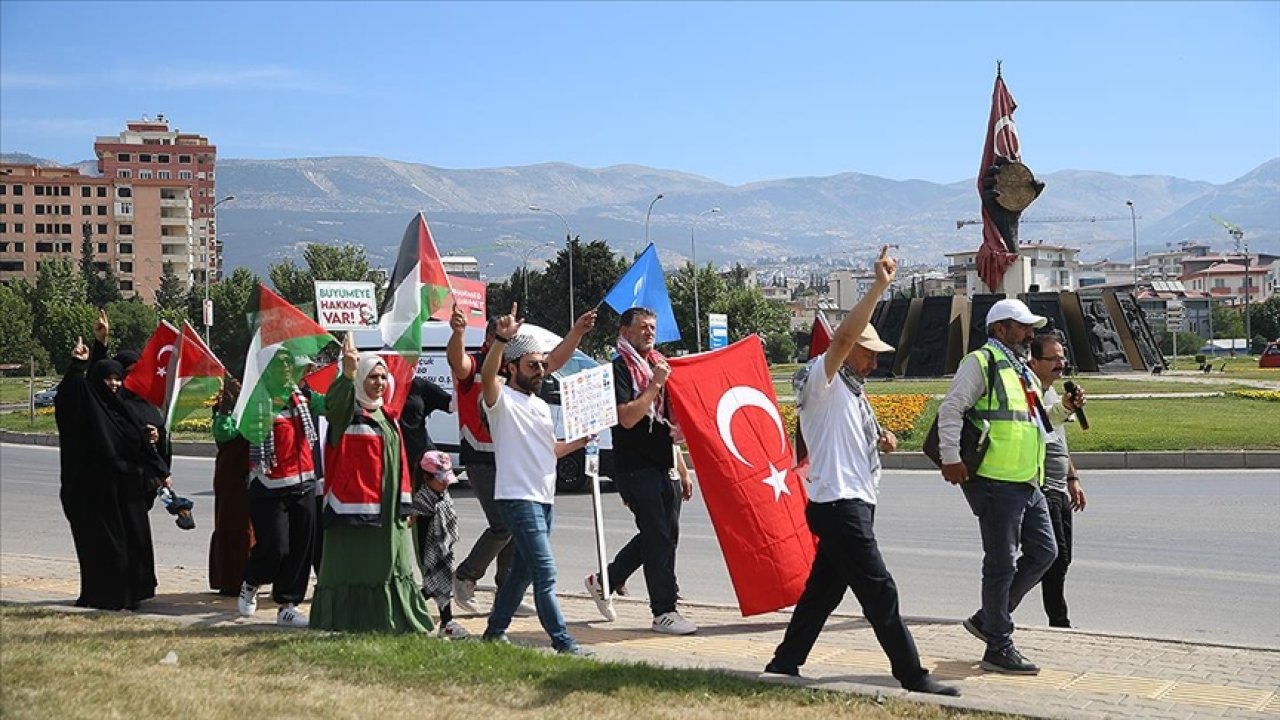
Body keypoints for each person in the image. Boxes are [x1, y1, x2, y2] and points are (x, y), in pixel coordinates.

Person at [763, 246, 958, 697]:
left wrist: (881, 439)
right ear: (851, 352)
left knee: (823, 593)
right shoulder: (821, 380)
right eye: (869, 354)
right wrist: (880, 286)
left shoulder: (852, 391)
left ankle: (784, 661)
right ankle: (912, 674)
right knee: (880, 592)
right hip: (839, 504)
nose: (874, 362)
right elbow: (843, 339)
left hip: (850, 503)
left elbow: (852, 436)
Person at [937, 298, 1084, 675]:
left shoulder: (1020, 369)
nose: (1030, 333)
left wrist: (1064, 407)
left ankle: (990, 618)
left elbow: (1039, 422)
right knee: (1001, 564)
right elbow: (951, 409)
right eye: (1022, 327)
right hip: (994, 480)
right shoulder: (981, 362)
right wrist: (950, 456)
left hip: (1026, 481)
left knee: (1045, 553)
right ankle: (998, 645)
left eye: (1030, 327)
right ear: (1000, 329)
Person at [448, 304, 597, 615]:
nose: (508, 338)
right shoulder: (479, 365)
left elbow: (553, 360)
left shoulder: (515, 367)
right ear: (490, 337)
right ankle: (465, 577)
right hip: (481, 457)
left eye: (512, 334)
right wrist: (458, 333)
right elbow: (457, 363)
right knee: (502, 525)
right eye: (502, 334)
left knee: (516, 524)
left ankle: (508, 592)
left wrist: (577, 332)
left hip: (511, 459)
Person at [480, 305, 592, 655]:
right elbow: (485, 376)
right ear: (511, 367)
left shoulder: (541, 406)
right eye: (533, 365)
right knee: (546, 573)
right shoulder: (500, 399)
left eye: (543, 365)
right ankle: (563, 642)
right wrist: (502, 338)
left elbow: (550, 452)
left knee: (521, 574)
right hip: (518, 497)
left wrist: (581, 440)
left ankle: (494, 631)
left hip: (544, 499)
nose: (541, 371)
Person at [310, 334, 435, 633]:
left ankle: (394, 619)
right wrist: (348, 373)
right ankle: (349, 619)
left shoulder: (387, 414)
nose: (379, 382)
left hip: (389, 514)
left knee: (395, 566)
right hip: (353, 515)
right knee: (357, 570)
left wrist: (406, 505)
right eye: (372, 377)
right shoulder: (345, 412)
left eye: (383, 377)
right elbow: (334, 405)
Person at [584, 306, 696, 635]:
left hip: (664, 464)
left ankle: (607, 579)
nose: (649, 331)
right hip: (635, 469)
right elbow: (629, 417)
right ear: (624, 332)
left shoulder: (656, 365)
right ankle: (664, 611)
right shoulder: (620, 370)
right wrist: (656, 385)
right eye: (642, 327)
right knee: (658, 537)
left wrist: (682, 467)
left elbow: (666, 424)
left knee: (663, 536)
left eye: (652, 326)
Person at [54, 335, 171, 610]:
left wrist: (154, 452)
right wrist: (77, 365)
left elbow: (137, 442)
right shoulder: (87, 409)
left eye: (118, 379)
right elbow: (71, 397)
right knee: (107, 547)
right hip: (97, 493)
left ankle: (133, 594)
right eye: (108, 379)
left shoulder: (124, 410)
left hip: (128, 492)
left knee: (135, 542)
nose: (114, 384)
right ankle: (105, 596)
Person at [236, 348, 317, 628]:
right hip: (269, 486)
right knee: (276, 548)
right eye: (280, 364)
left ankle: (287, 605)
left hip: (304, 483)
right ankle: (252, 580)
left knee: (300, 549)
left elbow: (331, 405)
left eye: (289, 363)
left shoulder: (302, 396)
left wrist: (349, 377)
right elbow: (240, 431)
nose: (287, 369)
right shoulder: (255, 400)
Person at [1026, 334, 1088, 629]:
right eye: (1053, 359)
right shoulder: (1030, 393)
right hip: (1041, 487)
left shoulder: (1054, 395)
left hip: (1059, 487)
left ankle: (998, 605)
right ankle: (1058, 622)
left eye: (1062, 358)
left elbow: (1059, 441)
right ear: (1034, 362)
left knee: (1061, 558)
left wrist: (1072, 478)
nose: (1060, 365)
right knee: (1053, 557)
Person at [412, 450, 468, 638]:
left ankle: (413, 607)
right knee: (438, 585)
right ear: (426, 477)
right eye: (440, 479)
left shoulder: (443, 494)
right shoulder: (422, 498)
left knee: (435, 586)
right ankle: (447, 623)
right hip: (430, 551)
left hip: (445, 548)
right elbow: (410, 520)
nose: (445, 483)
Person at [209, 377, 254, 596]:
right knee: (231, 525)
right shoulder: (224, 410)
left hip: (251, 472)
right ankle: (231, 579)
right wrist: (227, 408)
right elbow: (223, 433)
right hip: (231, 474)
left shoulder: (255, 404)